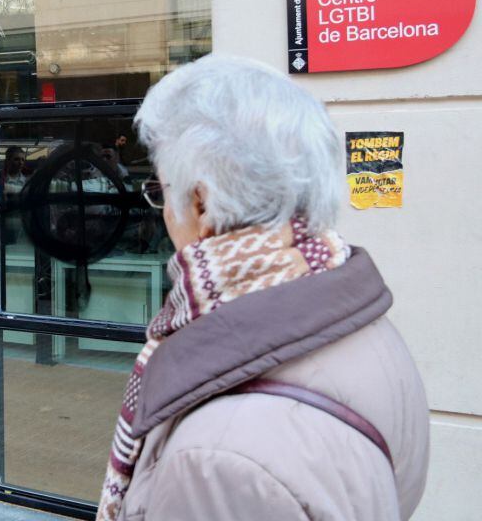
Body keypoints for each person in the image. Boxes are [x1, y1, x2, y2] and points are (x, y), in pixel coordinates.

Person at [97, 55, 428, 521]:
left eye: (161, 189)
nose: (164, 211)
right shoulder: (355, 319)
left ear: (201, 201)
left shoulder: (219, 463)